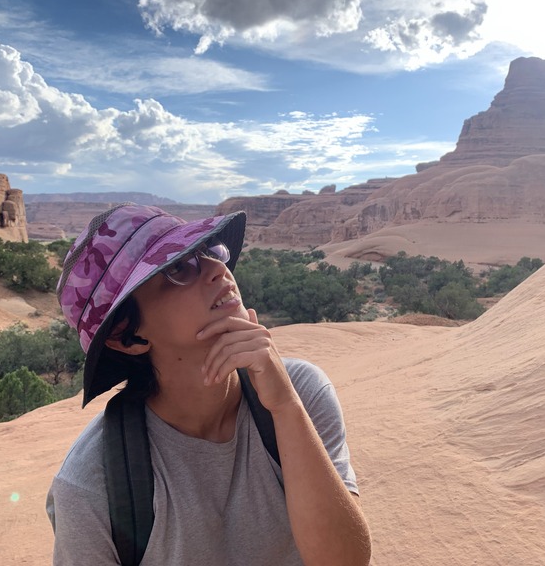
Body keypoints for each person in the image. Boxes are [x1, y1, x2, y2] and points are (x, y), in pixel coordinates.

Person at [46, 203, 371, 566]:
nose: (219, 270)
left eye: (208, 251)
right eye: (177, 268)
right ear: (125, 335)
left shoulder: (301, 392)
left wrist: (285, 408)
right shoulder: (93, 483)